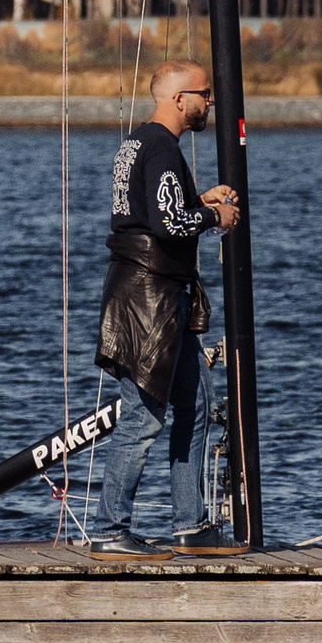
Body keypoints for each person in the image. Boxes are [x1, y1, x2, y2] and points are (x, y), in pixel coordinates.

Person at [89, 59, 243, 560]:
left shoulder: (138, 144)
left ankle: (190, 524)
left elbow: (150, 211)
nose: (209, 104)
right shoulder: (161, 147)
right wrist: (213, 214)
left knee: (195, 409)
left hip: (155, 298)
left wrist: (198, 199)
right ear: (179, 99)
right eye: (204, 95)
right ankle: (111, 529)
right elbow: (171, 224)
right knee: (143, 418)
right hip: (148, 301)